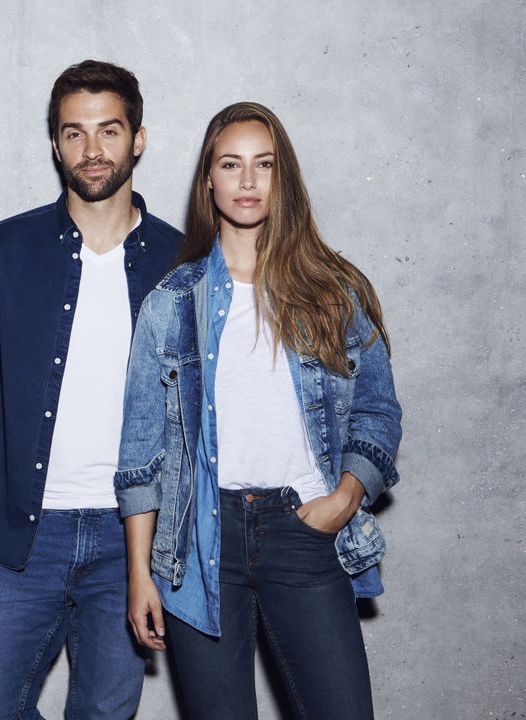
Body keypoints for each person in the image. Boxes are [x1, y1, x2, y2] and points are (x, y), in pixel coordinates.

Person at [116, 101, 403, 719]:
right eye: (231, 164)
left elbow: (377, 412)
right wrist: (141, 572)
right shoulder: (170, 304)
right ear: (209, 180)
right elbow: (141, 454)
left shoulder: (334, 293)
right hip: (200, 539)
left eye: (264, 165)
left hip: (302, 528)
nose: (247, 182)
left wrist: (344, 499)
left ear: (284, 178)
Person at [0, 60, 182, 719]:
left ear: (139, 138)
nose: (91, 150)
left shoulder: (181, 263)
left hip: (131, 537)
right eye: (73, 133)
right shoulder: (3, 250)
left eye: (108, 130)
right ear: (54, 144)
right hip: (22, 536)